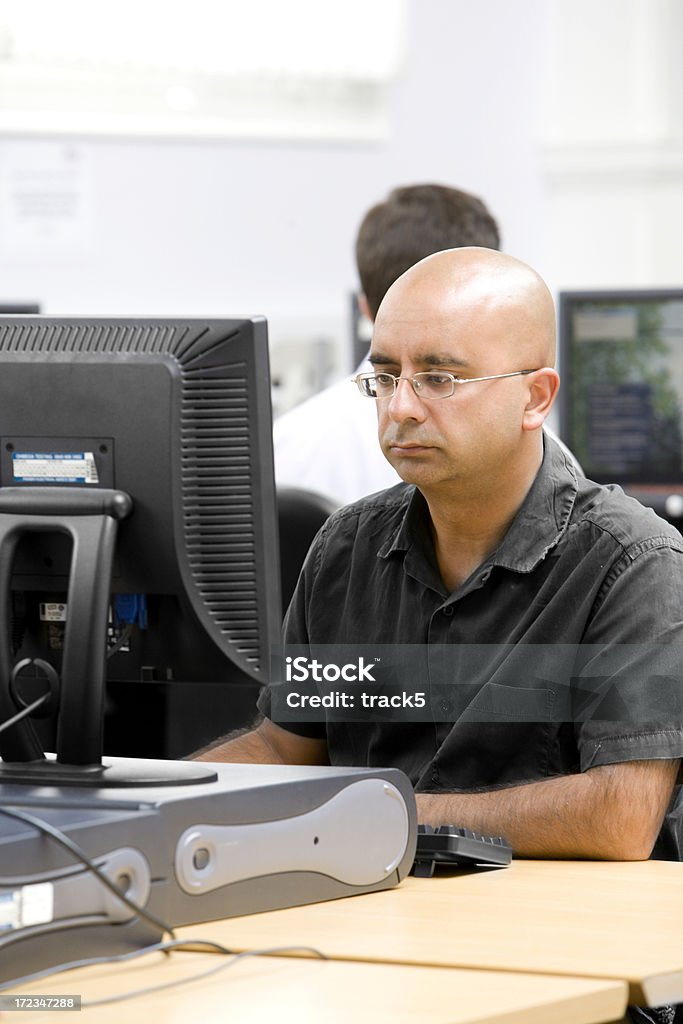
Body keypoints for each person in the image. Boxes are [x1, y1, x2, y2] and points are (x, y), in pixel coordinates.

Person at [198, 246, 682, 865]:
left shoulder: (633, 563)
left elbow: (617, 818)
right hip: (373, 915)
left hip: (552, 935)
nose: (400, 406)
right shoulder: (346, 549)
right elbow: (284, 749)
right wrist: (147, 804)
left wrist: (368, 808)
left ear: (535, 398)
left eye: (440, 379)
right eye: (386, 376)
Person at [274, 184, 520, 507]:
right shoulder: (528, 449)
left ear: (364, 308)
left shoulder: (284, 445)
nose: (401, 408)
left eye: (437, 380)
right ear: (487, 303)